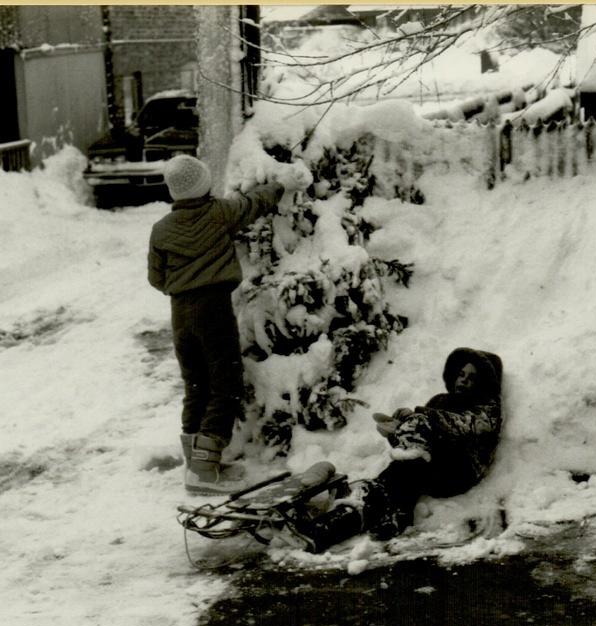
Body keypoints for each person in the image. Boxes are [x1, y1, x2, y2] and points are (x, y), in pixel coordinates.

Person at [148, 154, 305, 495]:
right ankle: (205, 468)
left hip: (180, 313)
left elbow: (155, 278)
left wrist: (182, 284)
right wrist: (284, 184)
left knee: (195, 385)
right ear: (204, 184)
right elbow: (255, 202)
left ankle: (198, 466)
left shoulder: (160, 230)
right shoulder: (219, 213)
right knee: (225, 382)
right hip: (213, 309)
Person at [284, 347, 504, 552]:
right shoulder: (440, 400)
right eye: (462, 374)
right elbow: (418, 443)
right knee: (386, 484)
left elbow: (460, 425)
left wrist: (421, 419)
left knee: (404, 472)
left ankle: (389, 514)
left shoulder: (487, 410)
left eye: (472, 378)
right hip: (429, 467)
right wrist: (399, 431)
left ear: (483, 384)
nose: (463, 381)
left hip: (460, 472)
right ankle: (326, 529)